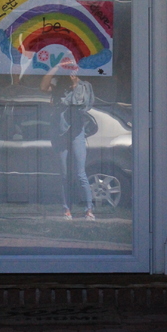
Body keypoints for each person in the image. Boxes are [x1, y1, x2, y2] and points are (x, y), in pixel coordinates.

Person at [40, 62, 95, 220]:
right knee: (64, 173)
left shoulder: (85, 86)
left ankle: (88, 209)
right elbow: (43, 87)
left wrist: (75, 84)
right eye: (68, 67)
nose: (71, 70)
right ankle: (66, 209)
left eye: (73, 67)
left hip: (77, 132)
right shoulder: (58, 85)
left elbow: (84, 105)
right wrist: (56, 67)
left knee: (80, 173)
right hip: (60, 132)